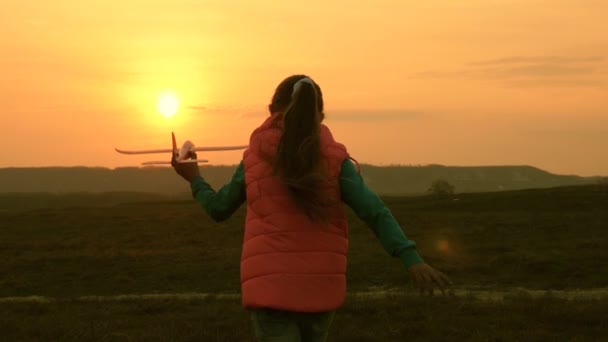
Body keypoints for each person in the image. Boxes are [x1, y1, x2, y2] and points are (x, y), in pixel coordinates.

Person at [172, 74, 451, 342]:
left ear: (271, 111)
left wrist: (194, 178)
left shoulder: (254, 159)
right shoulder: (335, 161)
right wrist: (411, 258)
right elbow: (374, 211)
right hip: (321, 290)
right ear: (319, 116)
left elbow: (219, 208)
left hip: (270, 290)